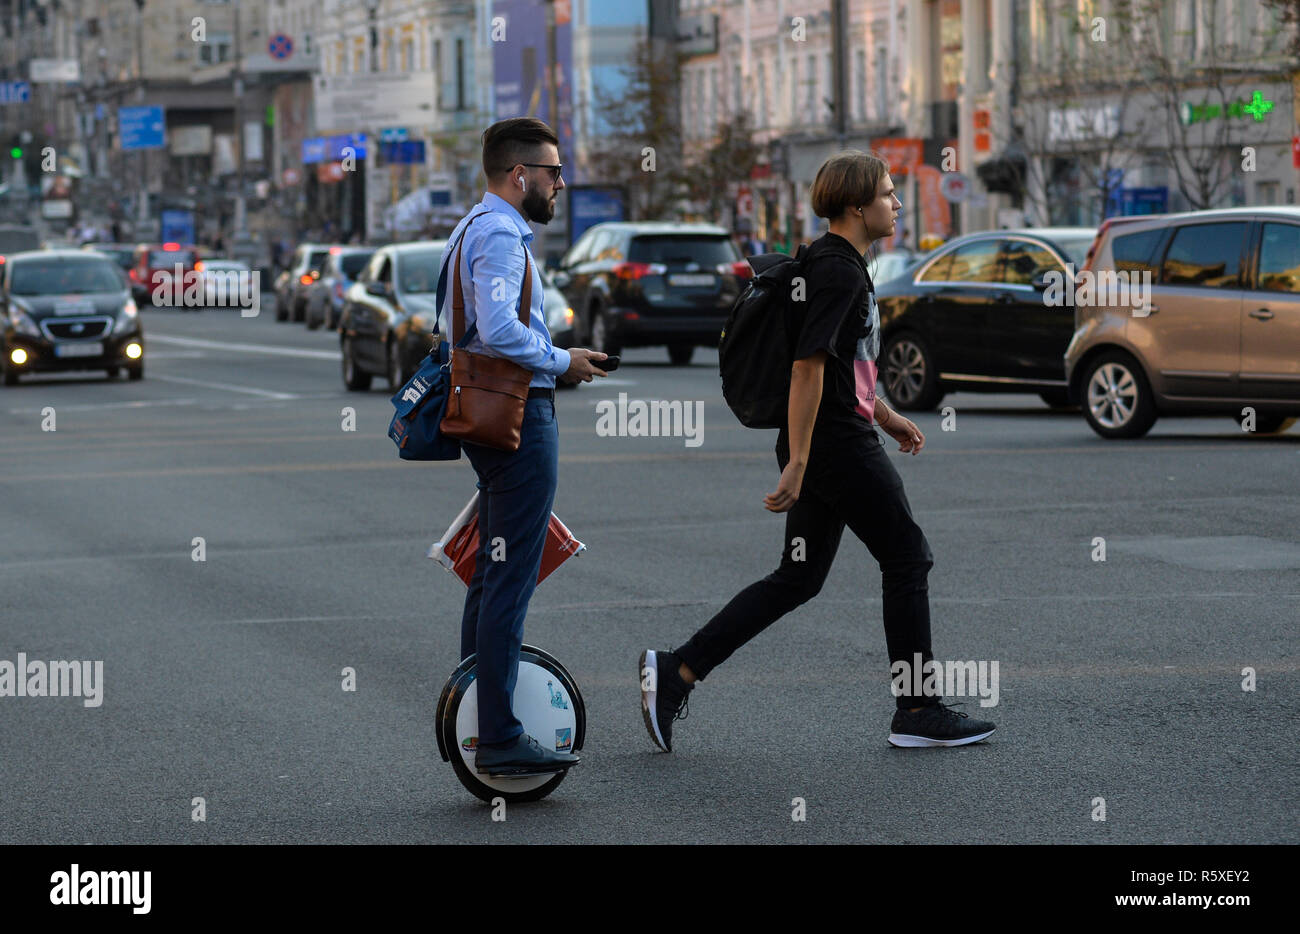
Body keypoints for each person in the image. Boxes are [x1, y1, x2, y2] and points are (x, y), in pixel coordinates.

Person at [640, 150, 995, 752]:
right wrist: (801, 460)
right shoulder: (838, 271)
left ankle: (676, 672)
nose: (898, 203)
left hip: (834, 434)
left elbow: (839, 366)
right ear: (857, 206)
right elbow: (806, 369)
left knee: (798, 577)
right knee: (908, 558)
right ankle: (917, 709)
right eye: (887, 194)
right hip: (833, 444)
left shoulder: (835, 263)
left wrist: (884, 415)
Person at [446, 117, 609, 776]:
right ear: (520, 176)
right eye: (553, 173)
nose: (561, 185)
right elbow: (497, 329)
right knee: (508, 579)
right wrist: (561, 359)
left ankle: (476, 711)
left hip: (492, 416)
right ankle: (500, 735)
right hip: (517, 418)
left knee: (492, 576)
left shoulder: (472, 227)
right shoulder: (501, 234)